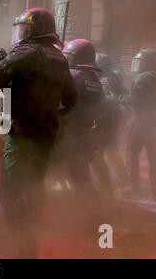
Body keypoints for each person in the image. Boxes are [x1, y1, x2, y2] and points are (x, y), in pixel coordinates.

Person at [0, 8, 77, 257]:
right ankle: (33, 226)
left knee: (10, 192)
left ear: (32, 30)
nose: (19, 34)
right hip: (47, 134)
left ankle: (25, 242)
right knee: (35, 183)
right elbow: (71, 100)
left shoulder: (24, 53)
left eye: (22, 29)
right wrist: (50, 114)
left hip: (22, 134)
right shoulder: (59, 56)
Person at [56, 39, 105, 221]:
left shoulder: (72, 76)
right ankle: (96, 218)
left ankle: (40, 218)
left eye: (67, 56)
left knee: (39, 173)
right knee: (83, 180)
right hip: (82, 136)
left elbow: (58, 103)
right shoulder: (95, 80)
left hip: (64, 135)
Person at [112, 49, 156, 199]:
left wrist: (116, 99)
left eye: (140, 61)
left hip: (144, 121)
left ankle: (133, 185)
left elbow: (134, 99)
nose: (137, 64)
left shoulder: (143, 77)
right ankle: (155, 188)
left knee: (131, 151)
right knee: (153, 153)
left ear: (148, 63)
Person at [91, 53, 128, 193]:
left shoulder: (105, 80)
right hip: (112, 119)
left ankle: (105, 187)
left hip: (104, 120)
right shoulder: (113, 76)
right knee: (112, 150)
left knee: (97, 153)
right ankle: (124, 178)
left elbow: (102, 101)